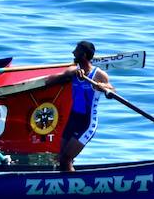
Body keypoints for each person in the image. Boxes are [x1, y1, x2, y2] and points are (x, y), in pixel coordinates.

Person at [44, 40, 114, 171]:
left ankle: (74, 182)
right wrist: (70, 74)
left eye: (76, 51)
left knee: (66, 158)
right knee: (61, 158)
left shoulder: (98, 75)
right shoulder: (73, 71)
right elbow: (49, 81)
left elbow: (112, 91)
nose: (73, 52)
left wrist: (103, 86)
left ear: (84, 55)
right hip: (72, 120)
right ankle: (65, 180)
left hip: (87, 124)